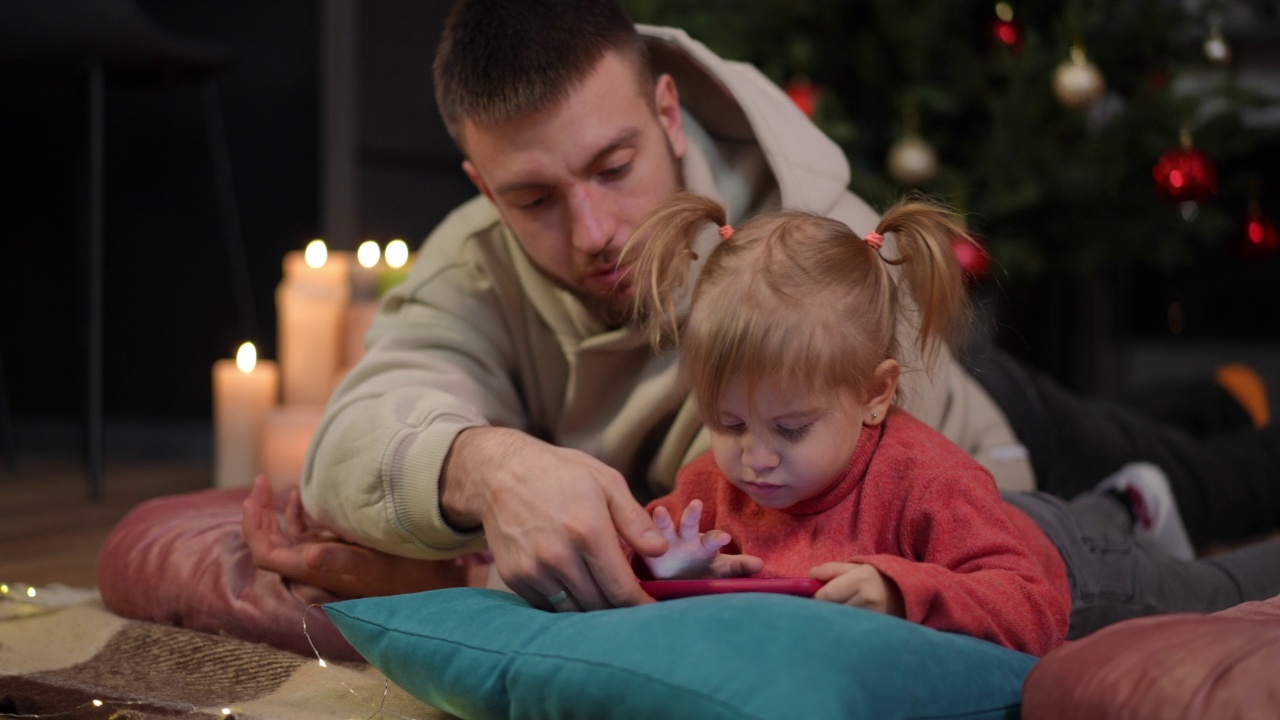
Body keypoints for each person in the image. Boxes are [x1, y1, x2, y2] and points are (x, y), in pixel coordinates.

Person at [256, 0, 1280, 615]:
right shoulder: (470, 266)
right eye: (533, 198)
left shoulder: (813, 221)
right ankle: (1218, 396)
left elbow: (891, 518)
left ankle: (1227, 407)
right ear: (483, 191)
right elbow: (360, 424)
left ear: (665, 115)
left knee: (1190, 477)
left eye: (613, 167)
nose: (595, 231)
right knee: (1181, 439)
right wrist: (489, 465)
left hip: (976, 420)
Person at [626, 191, 1280, 656]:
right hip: (1007, 519)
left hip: (1074, 574)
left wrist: (899, 590)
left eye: (790, 429)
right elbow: (632, 549)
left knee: (1226, 592)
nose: (755, 458)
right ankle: (1123, 503)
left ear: (876, 395)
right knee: (1084, 516)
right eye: (728, 422)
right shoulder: (714, 484)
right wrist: (663, 569)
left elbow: (1033, 605)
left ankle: (1117, 516)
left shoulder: (927, 478)